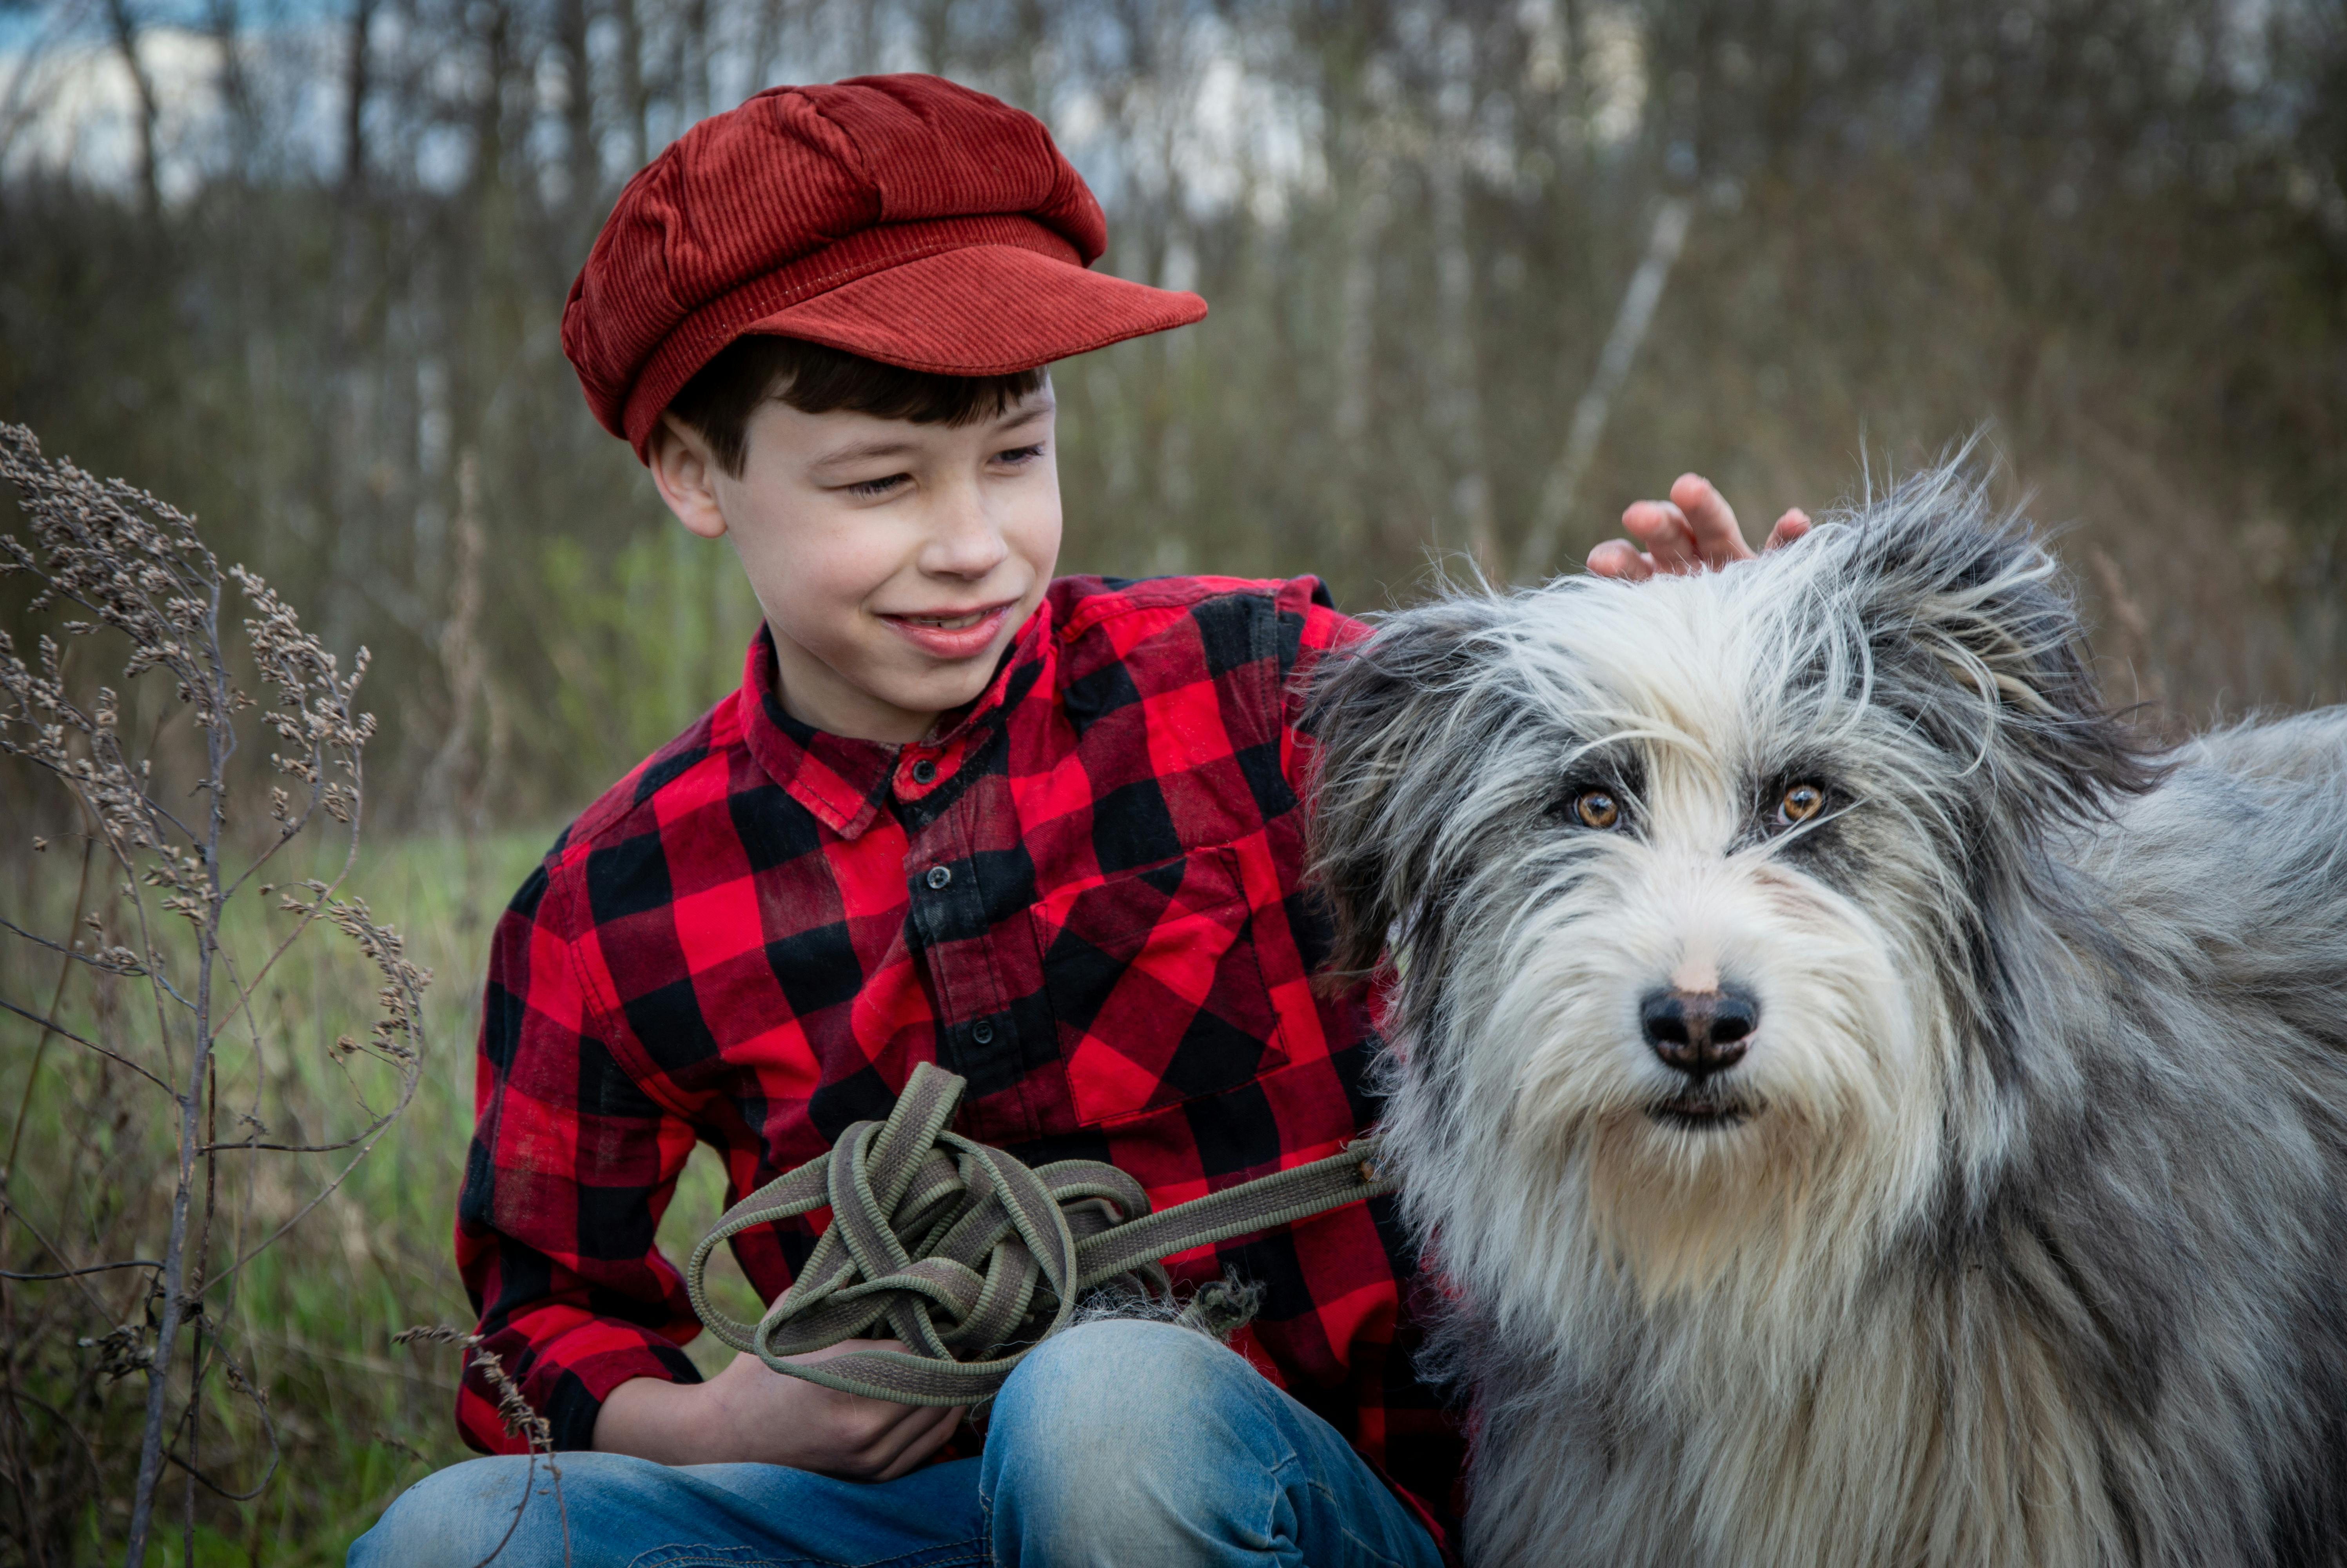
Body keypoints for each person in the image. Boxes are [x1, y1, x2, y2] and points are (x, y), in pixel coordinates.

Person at [349, 73, 1805, 1568]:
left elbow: (1563, 808)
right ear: (693, 475)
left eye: (1017, 456)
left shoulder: (1272, 693)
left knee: (1098, 1411)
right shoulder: (611, 904)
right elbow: (542, 1323)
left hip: (1313, 1503)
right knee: (454, 1540)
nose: (973, 544)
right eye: (880, 483)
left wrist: (1673, 682)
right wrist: (718, 1431)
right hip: (902, 1521)